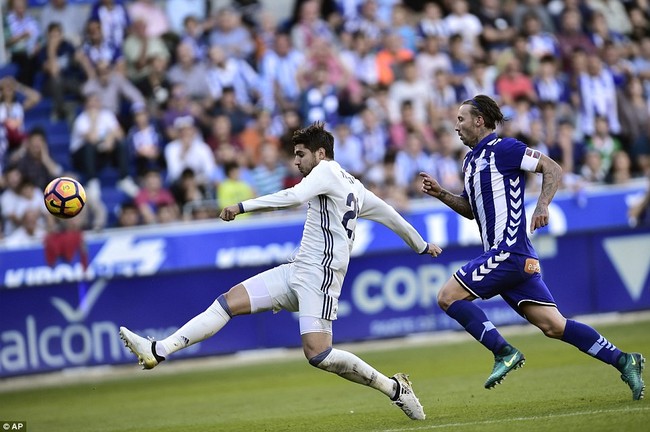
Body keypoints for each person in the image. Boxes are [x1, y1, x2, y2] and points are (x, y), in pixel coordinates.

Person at [120, 122, 443, 420]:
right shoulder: (353, 185)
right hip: (299, 269)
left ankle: (394, 388)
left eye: (301, 154)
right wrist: (421, 245)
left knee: (319, 355)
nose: (296, 161)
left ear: (320, 153)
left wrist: (242, 206)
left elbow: (293, 196)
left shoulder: (326, 172)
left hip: (321, 276)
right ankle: (158, 350)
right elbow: (390, 214)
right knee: (228, 301)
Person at [420, 94, 645, 400]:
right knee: (554, 326)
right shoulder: (471, 161)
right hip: (514, 258)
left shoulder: (505, 149)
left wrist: (542, 205)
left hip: (508, 250)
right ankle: (624, 359)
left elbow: (552, 168)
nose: (455, 126)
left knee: (447, 297)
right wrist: (441, 194)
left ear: (479, 121)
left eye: (461, 119)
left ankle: (504, 351)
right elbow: (472, 209)